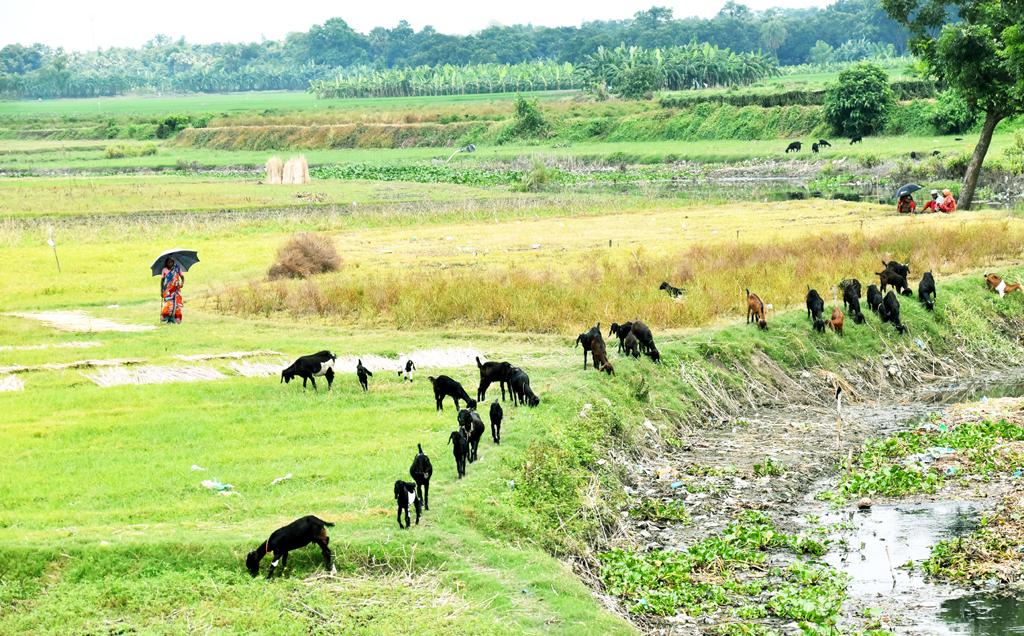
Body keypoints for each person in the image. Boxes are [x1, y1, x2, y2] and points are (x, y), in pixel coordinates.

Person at [160, 257, 184, 323]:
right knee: (169, 304)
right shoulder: (164, 270)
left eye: (171, 262)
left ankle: (176, 318)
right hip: (167, 291)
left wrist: (182, 283)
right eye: (168, 262)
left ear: (173, 262)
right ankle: (167, 317)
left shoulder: (177, 269)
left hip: (176, 290)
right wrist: (161, 291)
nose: (170, 264)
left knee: (177, 304)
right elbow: (162, 281)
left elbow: (182, 277)